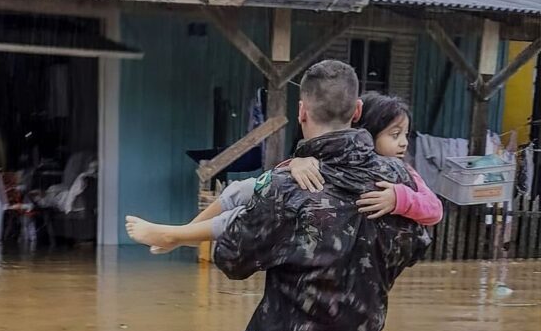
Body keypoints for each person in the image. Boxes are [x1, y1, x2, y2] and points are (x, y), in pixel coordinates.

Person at [135, 60, 431, 331]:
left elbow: (232, 260)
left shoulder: (288, 187)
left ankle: (175, 234)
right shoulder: (401, 179)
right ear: (357, 111)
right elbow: (417, 245)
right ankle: (175, 234)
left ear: (302, 111)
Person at [125, 92, 442, 252]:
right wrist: (297, 162)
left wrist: (399, 198)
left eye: (404, 135)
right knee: (241, 190)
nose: (402, 143)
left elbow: (434, 210)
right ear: (365, 127)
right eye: (394, 134)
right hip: (321, 225)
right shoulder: (330, 156)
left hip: (334, 235)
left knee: (247, 216)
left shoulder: (401, 175)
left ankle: (176, 236)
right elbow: (283, 179)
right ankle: (185, 234)